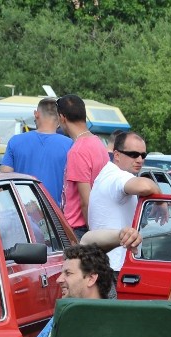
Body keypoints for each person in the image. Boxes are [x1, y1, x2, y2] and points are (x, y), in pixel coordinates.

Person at [88, 131, 160, 275]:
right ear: (117, 155)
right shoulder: (117, 177)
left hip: (104, 262)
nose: (140, 159)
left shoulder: (108, 174)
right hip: (113, 266)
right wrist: (161, 201)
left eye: (143, 155)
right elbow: (145, 186)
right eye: (133, 154)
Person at [0, 97, 73, 208]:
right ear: (60, 118)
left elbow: (3, 180)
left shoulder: (15, 141)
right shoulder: (70, 145)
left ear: (36, 114)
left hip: (21, 213)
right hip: (55, 216)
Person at [57, 94, 109, 238]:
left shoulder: (78, 151)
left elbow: (86, 201)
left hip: (79, 229)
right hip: (97, 224)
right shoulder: (98, 143)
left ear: (62, 118)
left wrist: (91, 236)